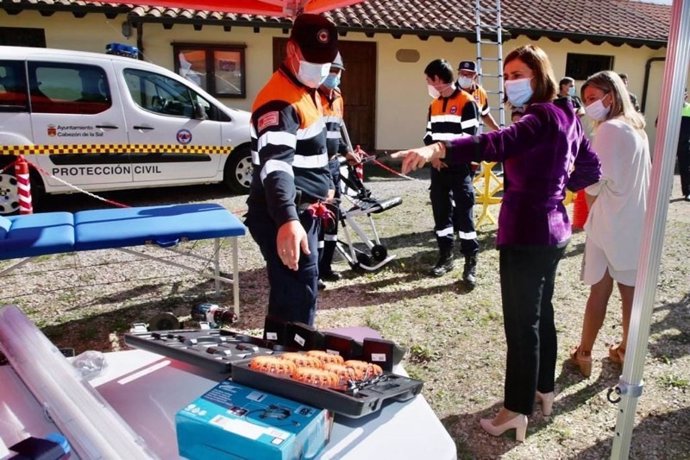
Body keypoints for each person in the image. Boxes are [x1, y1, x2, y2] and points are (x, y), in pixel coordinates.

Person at [393, 44, 601, 441]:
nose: (510, 82)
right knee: (541, 314)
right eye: (506, 75)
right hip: (554, 229)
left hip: (526, 230)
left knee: (522, 326)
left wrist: (437, 147)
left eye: (518, 74)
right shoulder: (568, 113)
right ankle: (544, 389)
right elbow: (590, 166)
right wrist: (559, 185)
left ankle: (515, 410)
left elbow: (494, 144)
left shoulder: (539, 115)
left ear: (539, 76)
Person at [245, 14, 338, 326]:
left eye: (326, 61)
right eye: (313, 60)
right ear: (292, 50)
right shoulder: (278, 104)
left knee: (296, 289)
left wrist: (327, 183)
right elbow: (276, 167)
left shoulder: (305, 87)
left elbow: (310, 148)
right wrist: (287, 218)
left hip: (304, 210)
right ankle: (289, 364)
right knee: (297, 292)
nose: (321, 68)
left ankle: (284, 355)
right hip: (283, 214)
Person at [569, 71, 651, 378]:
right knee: (630, 295)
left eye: (593, 98)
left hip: (609, 221)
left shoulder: (609, 130)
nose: (588, 105)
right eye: (585, 99)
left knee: (599, 292)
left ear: (611, 96)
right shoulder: (637, 129)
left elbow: (591, 183)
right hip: (634, 221)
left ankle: (584, 352)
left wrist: (589, 213)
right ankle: (626, 350)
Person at [423, 59, 480, 287]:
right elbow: (428, 135)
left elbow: (469, 138)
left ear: (438, 79)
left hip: (458, 167)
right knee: (441, 212)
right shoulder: (434, 104)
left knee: (464, 214)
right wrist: (434, 156)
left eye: (428, 79)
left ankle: (470, 262)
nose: (427, 83)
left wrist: (444, 155)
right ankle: (445, 257)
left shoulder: (467, 102)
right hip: (438, 167)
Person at [317, 52, 360, 287]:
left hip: (333, 164)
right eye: (330, 71)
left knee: (333, 216)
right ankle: (314, 270)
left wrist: (347, 153)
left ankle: (327, 267)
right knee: (318, 217)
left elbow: (336, 135)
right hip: (317, 166)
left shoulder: (338, 98)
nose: (333, 76)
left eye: (337, 71)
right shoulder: (312, 97)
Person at [456, 60, 500, 131]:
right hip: (451, 138)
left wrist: (498, 130)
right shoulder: (450, 91)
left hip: (471, 137)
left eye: (469, 74)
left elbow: (485, 115)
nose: (464, 77)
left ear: (475, 76)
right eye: (462, 73)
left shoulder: (480, 92)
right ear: (458, 73)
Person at [679, 88, 690, 201]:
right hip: (670, 144)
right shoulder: (670, 108)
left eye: (684, 94)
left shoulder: (689, 108)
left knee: (686, 168)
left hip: (685, 144)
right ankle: (666, 192)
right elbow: (658, 123)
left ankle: (687, 192)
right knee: (666, 168)